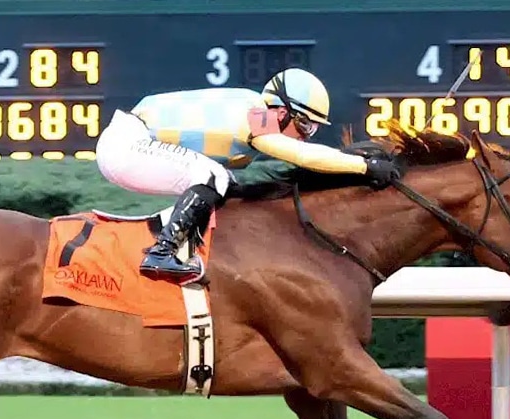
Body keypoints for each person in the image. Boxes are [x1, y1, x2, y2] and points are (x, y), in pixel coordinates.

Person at [94, 67, 400, 285]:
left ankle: (188, 249)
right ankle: (162, 252)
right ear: (282, 112)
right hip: (127, 145)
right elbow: (303, 156)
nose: (306, 135)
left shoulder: (253, 106)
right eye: (306, 125)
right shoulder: (258, 114)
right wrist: (364, 167)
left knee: (225, 182)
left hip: (129, 143)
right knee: (213, 176)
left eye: (313, 129)